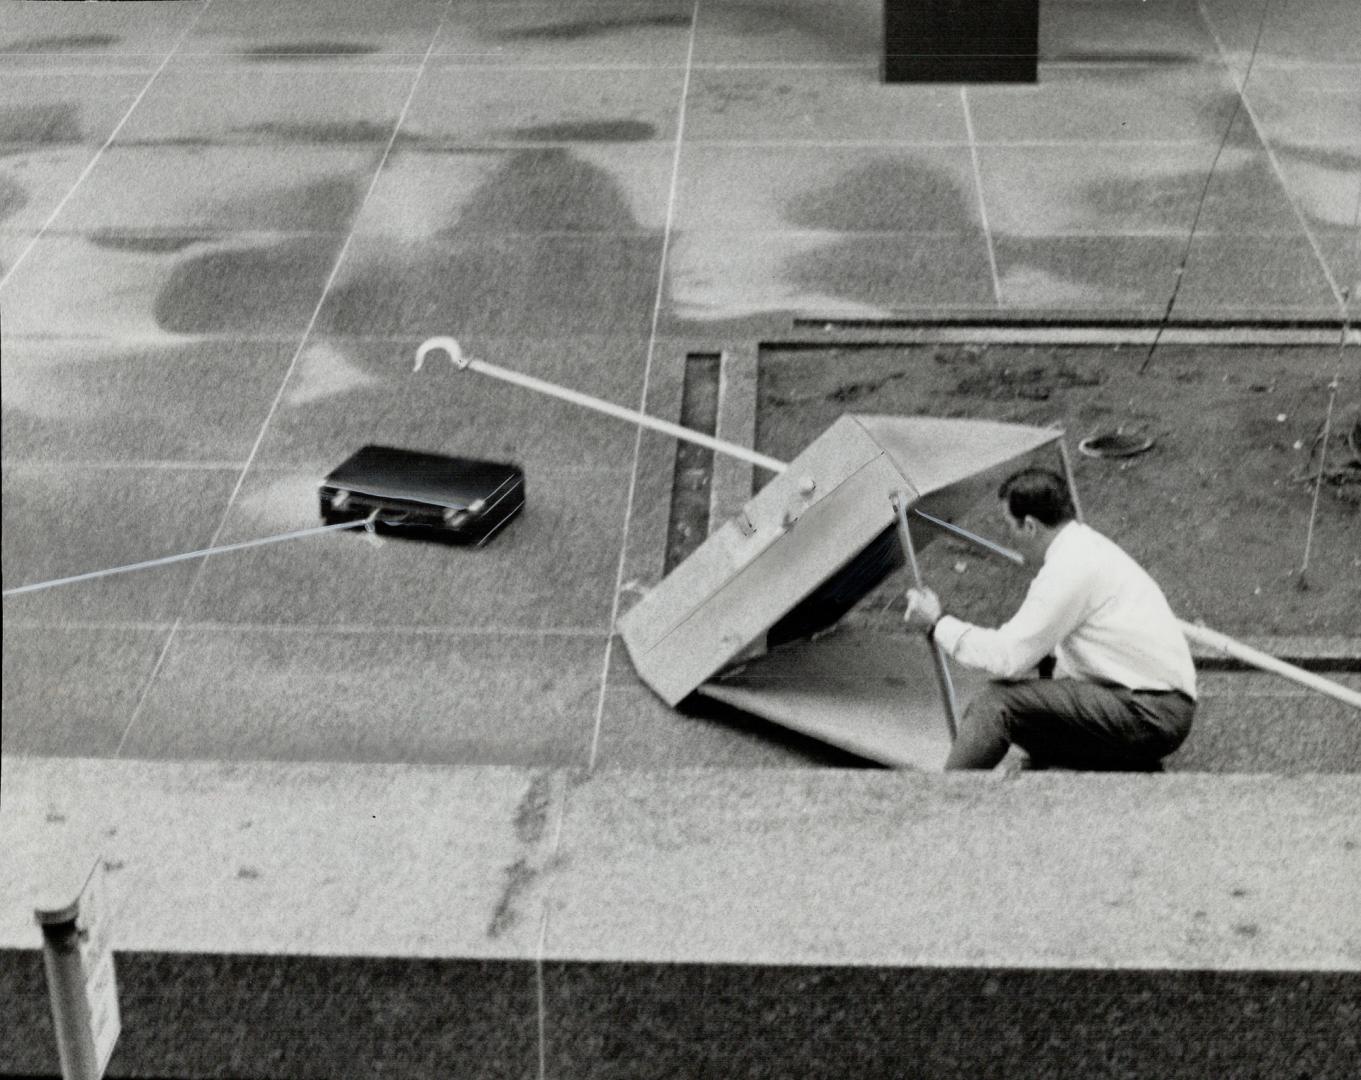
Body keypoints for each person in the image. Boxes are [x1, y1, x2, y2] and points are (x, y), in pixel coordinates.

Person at [903, 468, 1196, 771]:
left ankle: (943, 801)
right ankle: (1080, 767)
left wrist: (937, 622)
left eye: (1009, 526)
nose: (1009, 537)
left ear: (1029, 526)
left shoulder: (1069, 568)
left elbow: (1009, 656)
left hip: (1150, 714)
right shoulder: (1086, 545)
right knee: (1041, 675)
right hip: (1157, 705)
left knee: (997, 704)